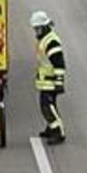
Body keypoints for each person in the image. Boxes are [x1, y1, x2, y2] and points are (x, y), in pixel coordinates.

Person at [31, 10, 66, 144]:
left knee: (47, 106)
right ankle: (50, 128)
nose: (36, 32)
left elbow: (59, 63)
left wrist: (59, 82)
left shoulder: (51, 42)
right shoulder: (45, 39)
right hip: (46, 81)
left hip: (51, 81)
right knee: (48, 105)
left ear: (44, 27)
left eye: (38, 29)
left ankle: (58, 131)